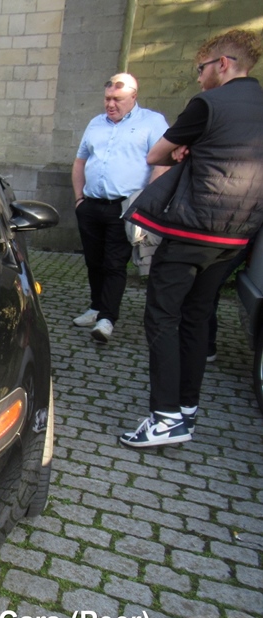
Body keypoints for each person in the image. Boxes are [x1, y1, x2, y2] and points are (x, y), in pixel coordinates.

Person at [120, 29, 263, 448]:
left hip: (191, 230)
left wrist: (184, 149)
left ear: (223, 64)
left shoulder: (208, 104)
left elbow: (155, 154)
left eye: (201, 68)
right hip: (238, 235)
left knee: (162, 316)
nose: (199, 78)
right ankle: (186, 410)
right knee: (198, 316)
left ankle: (164, 418)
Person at [71, 73, 169, 343]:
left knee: (114, 263)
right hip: (91, 205)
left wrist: (144, 203)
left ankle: (107, 318)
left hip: (125, 207)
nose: (110, 104)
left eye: (117, 99)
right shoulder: (95, 123)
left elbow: (162, 164)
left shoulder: (151, 122)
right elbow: (80, 161)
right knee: (93, 261)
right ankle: (95, 307)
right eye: (107, 98)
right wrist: (79, 199)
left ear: (134, 96)